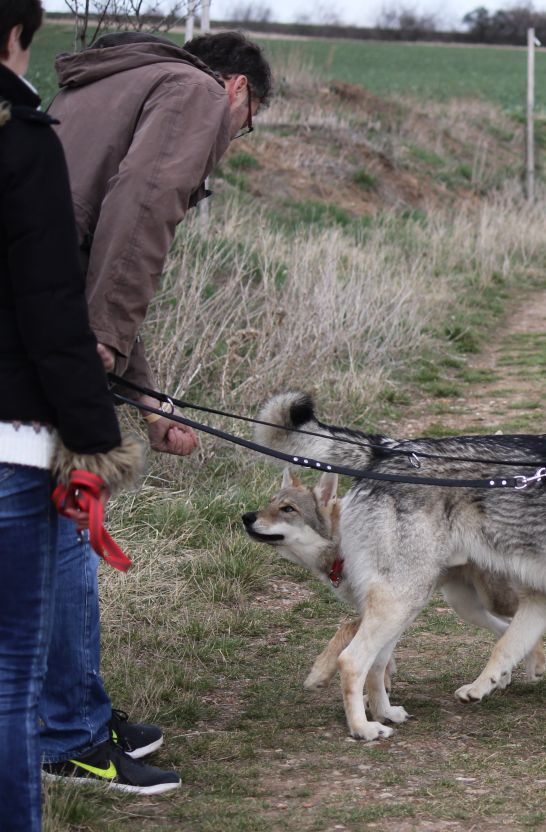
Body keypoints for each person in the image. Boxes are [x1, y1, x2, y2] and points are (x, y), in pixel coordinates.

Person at [37, 30, 272, 794]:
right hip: (45, 338)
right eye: (250, 122)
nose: (234, 138)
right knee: (69, 521)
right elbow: (137, 217)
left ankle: (78, 714)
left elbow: (84, 241)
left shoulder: (102, 84)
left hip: (35, 313)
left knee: (49, 522)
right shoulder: (195, 94)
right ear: (238, 89)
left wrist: (145, 393)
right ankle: (70, 737)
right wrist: (100, 350)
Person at [0, 0, 144, 825]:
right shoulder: (21, 139)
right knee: (9, 680)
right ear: (17, 34)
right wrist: (95, 435)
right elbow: (51, 308)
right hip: (13, 446)